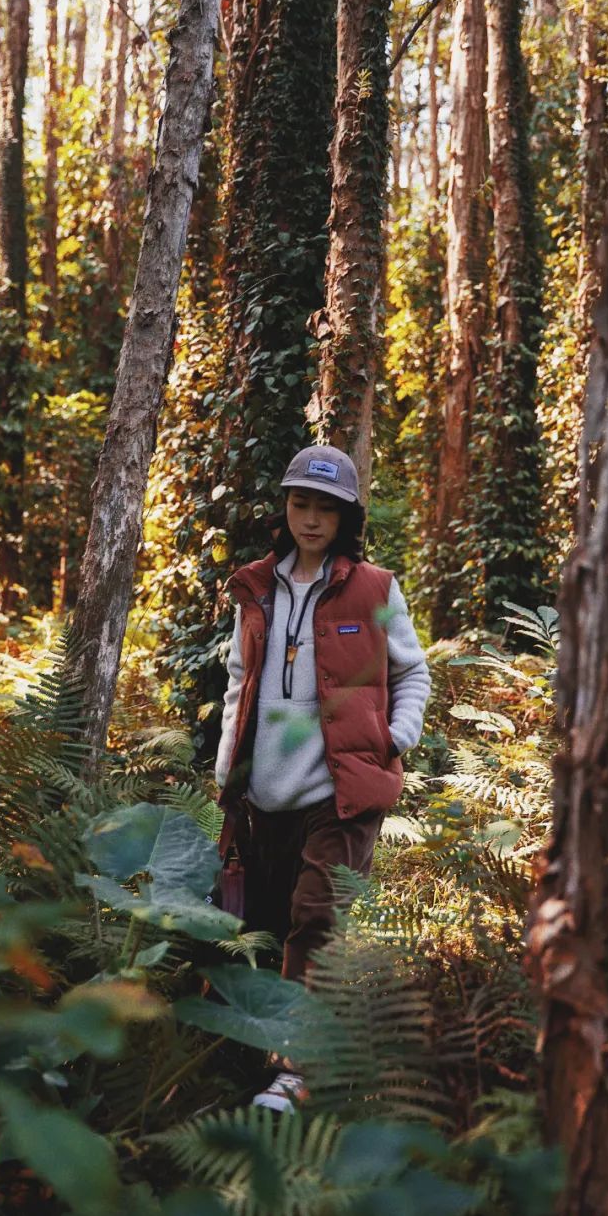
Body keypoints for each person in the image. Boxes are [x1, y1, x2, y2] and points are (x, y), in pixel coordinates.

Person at [214, 445, 431, 1111]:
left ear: (345, 517)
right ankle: (243, 1050)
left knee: (316, 920)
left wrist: (394, 738)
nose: (311, 518)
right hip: (261, 791)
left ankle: (295, 1070)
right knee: (256, 920)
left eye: (326, 508)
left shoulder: (376, 589)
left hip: (338, 792)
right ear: (286, 507)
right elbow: (237, 681)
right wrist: (227, 768)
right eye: (301, 502)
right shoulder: (254, 587)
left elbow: (414, 670)